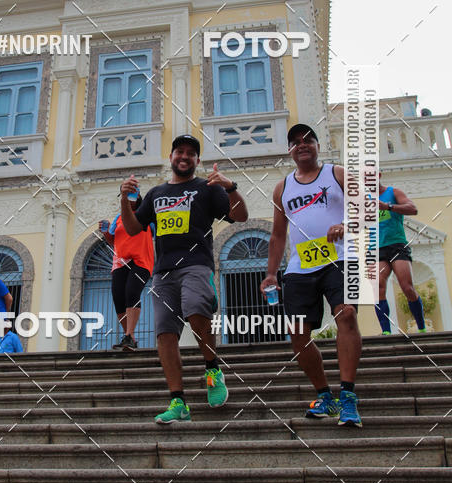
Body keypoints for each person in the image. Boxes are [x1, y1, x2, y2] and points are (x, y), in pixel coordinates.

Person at [120, 134, 248, 424]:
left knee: (195, 308)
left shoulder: (207, 187)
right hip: (163, 272)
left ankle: (212, 369)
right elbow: (131, 228)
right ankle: (178, 401)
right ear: (172, 156)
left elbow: (240, 216)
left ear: (197, 160)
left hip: (196, 264)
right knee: (165, 333)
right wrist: (124, 198)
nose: (185, 156)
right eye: (180, 151)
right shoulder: (155, 193)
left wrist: (231, 187)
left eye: (191, 153)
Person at [260, 124, 363, 427]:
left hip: (340, 257)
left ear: (318, 146)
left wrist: (346, 224)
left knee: (346, 315)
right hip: (300, 267)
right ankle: (324, 395)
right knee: (297, 335)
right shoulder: (282, 188)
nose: (302, 145)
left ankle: (347, 396)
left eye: (308, 140)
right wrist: (270, 274)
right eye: (295, 142)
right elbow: (278, 236)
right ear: (289, 151)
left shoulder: (337, 173)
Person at [99, 190, 154, 351]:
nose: (129, 201)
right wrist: (105, 232)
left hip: (141, 260)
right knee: (118, 298)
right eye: (125, 197)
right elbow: (112, 240)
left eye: (132, 197)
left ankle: (129, 335)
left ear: (138, 199)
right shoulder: (118, 218)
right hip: (120, 262)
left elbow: (157, 234)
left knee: (132, 292)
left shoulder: (147, 215)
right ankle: (129, 337)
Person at [375, 173, 425, 335]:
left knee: (407, 287)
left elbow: (413, 209)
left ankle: (422, 326)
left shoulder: (394, 192)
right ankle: (386, 331)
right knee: (378, 287)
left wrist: (388, 207)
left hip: (397, 245)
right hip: (377, 248)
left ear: (378, 175)